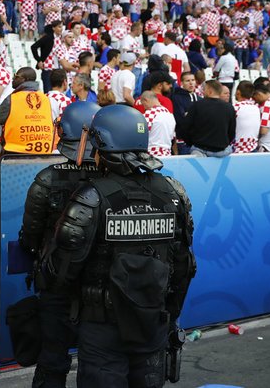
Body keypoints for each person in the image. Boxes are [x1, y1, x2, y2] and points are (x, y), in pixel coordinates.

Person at [41, 104, 196, 388]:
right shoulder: (173, 192)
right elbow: (184, 267)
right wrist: (167, 315)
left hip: (103, 329)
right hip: (153, 322)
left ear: (101, 143)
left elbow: (60, 272)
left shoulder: (91, 196)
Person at [18, 100, 100, 388]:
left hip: (56, 281)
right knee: (99, 360)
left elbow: (29, 236)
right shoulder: (114, 181)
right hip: (99, 285)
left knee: (53, 356)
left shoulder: (47, 180)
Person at [0, 67, 55, 157]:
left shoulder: (12, 99)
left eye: (16, 76)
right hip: (43, 153)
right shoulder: (46, 99)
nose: (13, 78)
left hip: (15, 152)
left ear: (24, 79)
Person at [177, 80, 236, 157]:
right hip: (222, 151)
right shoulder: (229, 107)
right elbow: (231, 132)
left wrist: (191, 143)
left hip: (200, 150)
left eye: (204, 90)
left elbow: (185, 128)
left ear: (210, 91)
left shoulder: (197, 106)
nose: (203, 92)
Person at [139, 91, 176, 158]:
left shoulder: (148, 114)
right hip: (167, 154)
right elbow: (173, 137)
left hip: (151, 154)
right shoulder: (170, 115)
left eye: (143, 104)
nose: (144, 108)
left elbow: (140, 134)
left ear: (146, 100)